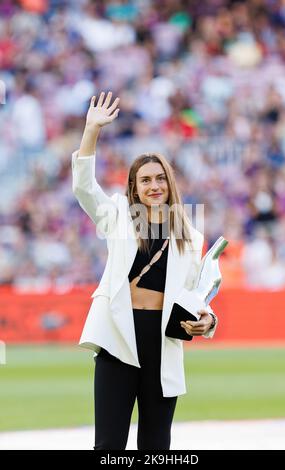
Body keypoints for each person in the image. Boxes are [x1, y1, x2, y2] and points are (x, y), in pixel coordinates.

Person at [72, 91, 219, 450]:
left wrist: (208, 321)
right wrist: (92, 129)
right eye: (145, 180)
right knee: (108, 445)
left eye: (160, 179)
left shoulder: (191, 235)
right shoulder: (119, 215)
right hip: (118, 337)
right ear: (134, 189)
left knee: (156, 446)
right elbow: (84, 188)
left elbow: (201, 292)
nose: (154, 186)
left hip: (163, 342)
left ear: (169, 184)